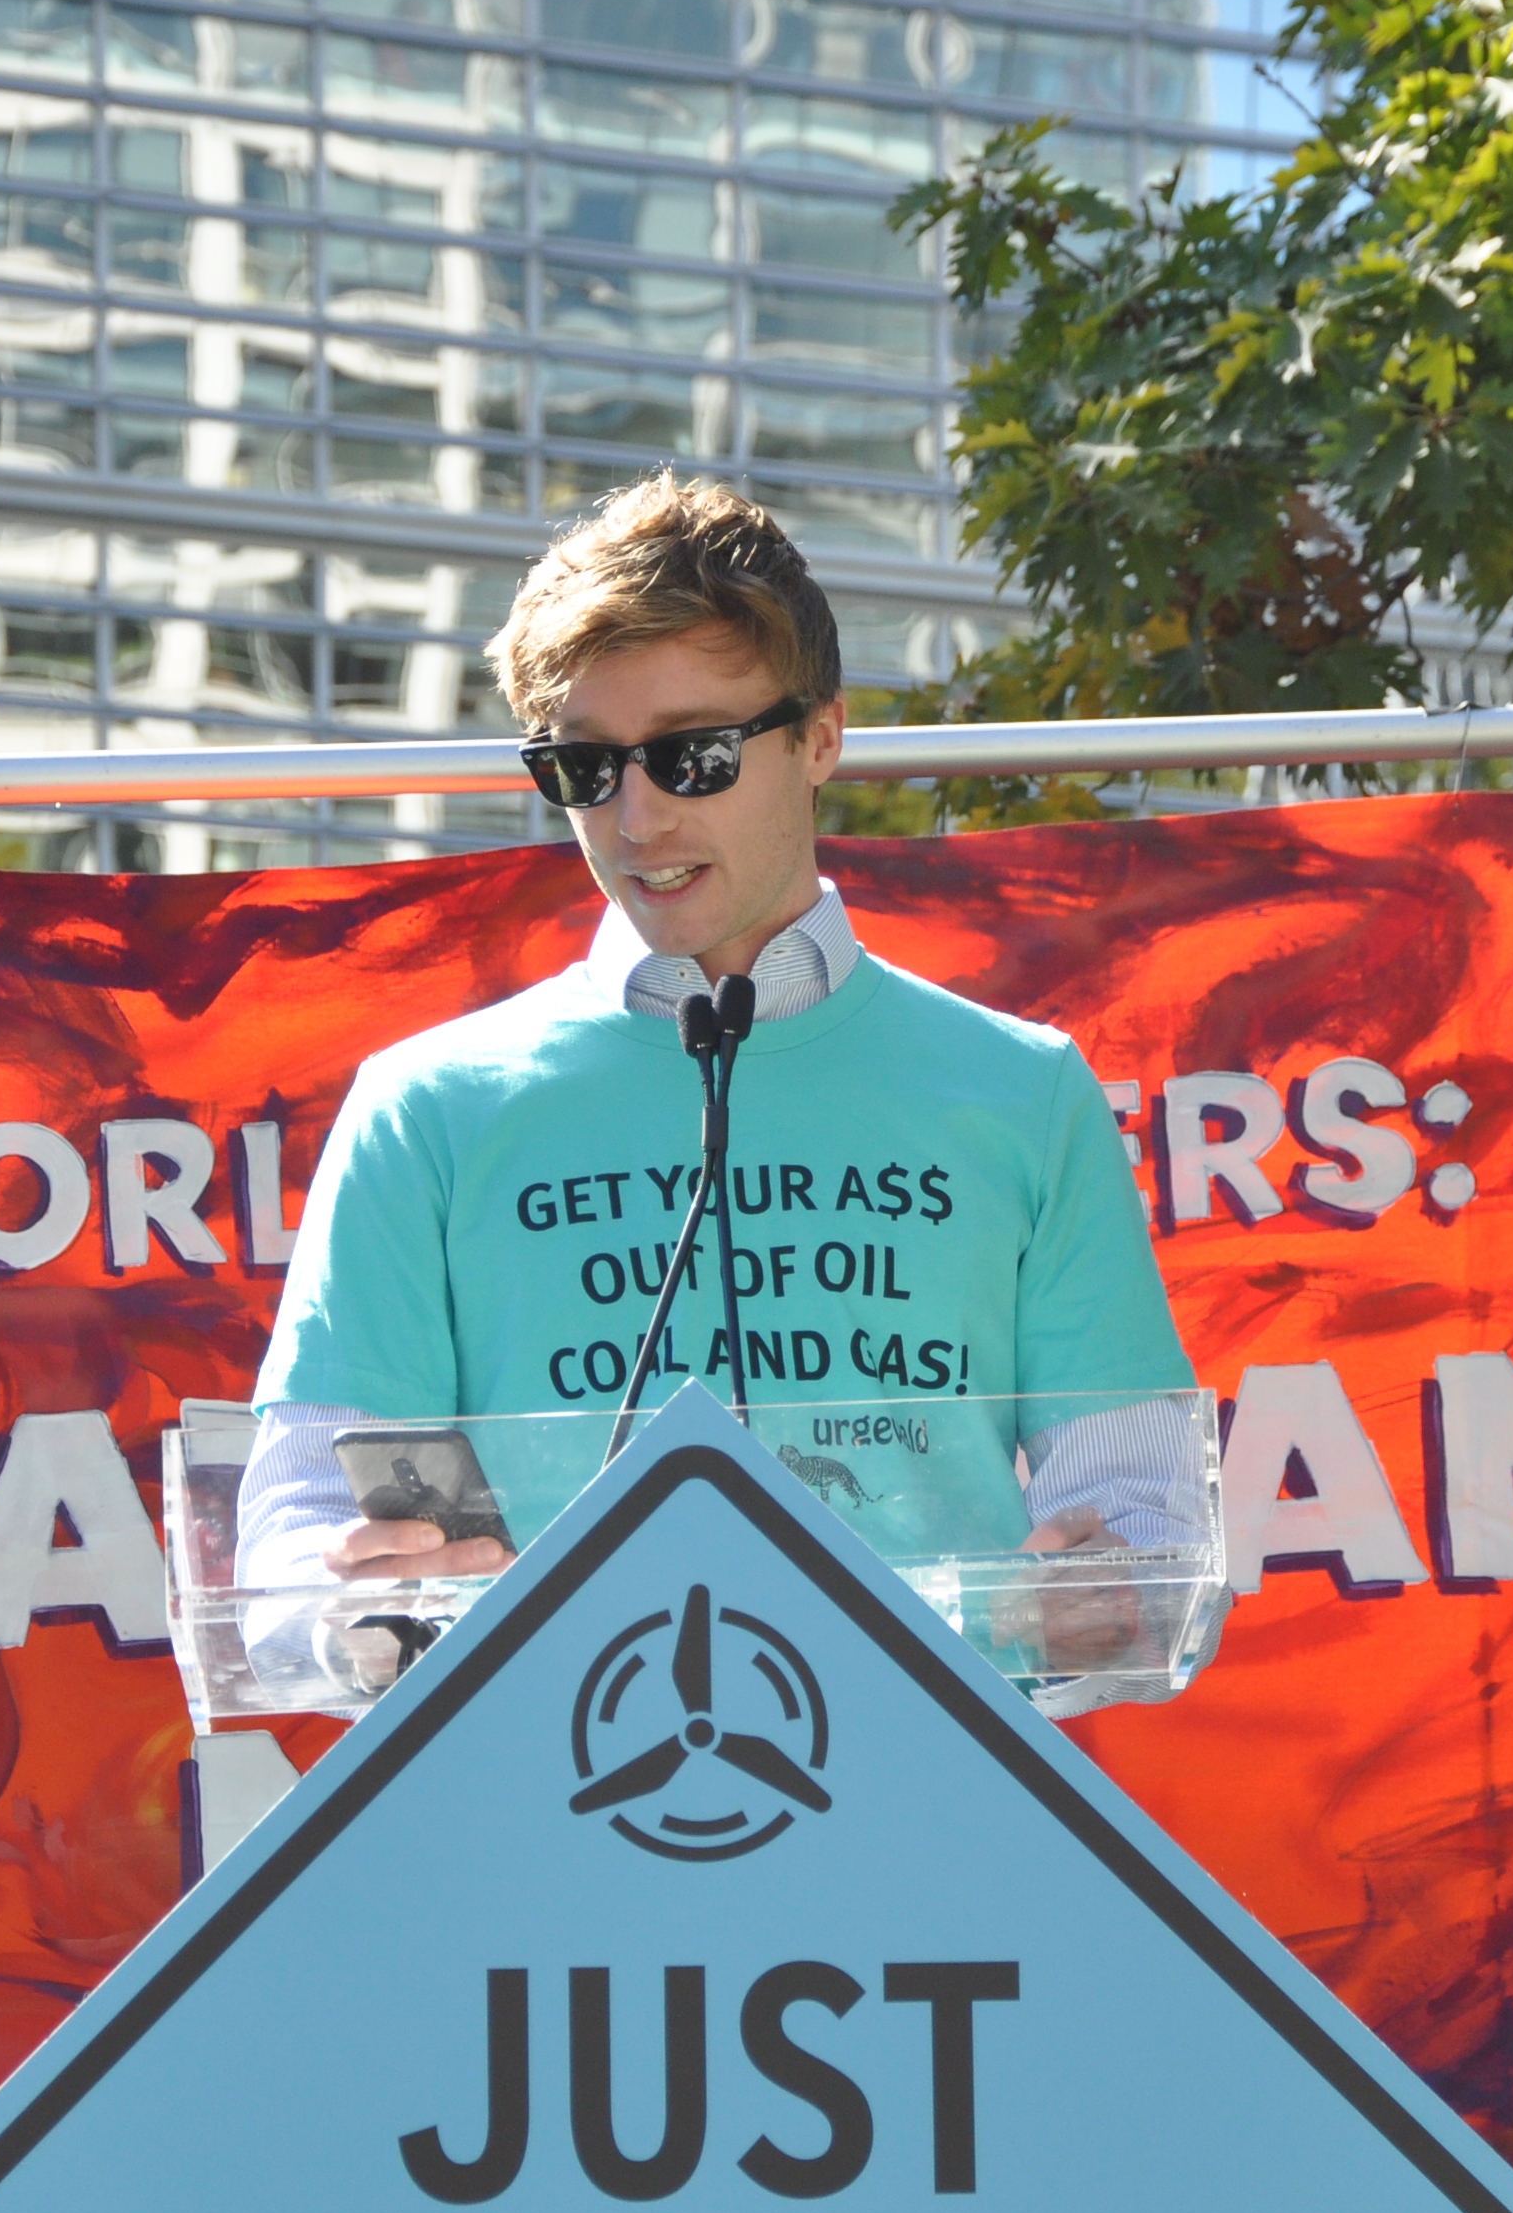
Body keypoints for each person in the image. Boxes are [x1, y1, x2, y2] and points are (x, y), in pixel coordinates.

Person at [241, 473, 1202, 1636]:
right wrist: (345, 1605)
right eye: (585, 769)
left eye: (691, 755)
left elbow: (1147, 1521)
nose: (637, 819)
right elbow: (293, 1537)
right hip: (544, 1792)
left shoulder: (1023, 1090)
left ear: (822, 737)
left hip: (935, 1797)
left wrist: (1118, 1595)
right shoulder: (423, 1109)